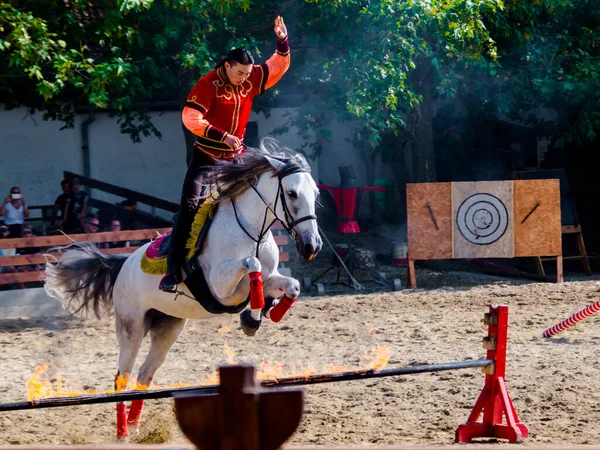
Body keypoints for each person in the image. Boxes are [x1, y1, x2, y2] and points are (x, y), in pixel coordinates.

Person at [159, 16, 291, 292]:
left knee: (265, 190)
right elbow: (190, 117)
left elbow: (276, 67)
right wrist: (220, 135)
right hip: (207, 158)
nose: (245, 78)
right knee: (190, 206)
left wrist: (282, 40)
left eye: (247, 73)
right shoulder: (208, 85)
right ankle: (172, 271)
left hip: (237, 158)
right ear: (227, 65)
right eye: (239, 73)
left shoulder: (251, 76)